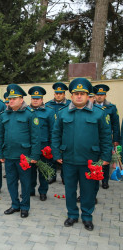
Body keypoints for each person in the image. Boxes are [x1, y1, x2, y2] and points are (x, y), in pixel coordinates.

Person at [52, 78, 111, 231]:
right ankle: (72, 215)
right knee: (70, 190)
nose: (79, 96)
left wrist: (105, 157)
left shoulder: (98, 114)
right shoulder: (63, 113)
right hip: (69, 160)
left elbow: (105, 136)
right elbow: (56, 135)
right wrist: (57, 153)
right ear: (71, 96)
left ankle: (87, 217)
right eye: (76, 93)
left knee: (88, 191)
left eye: (82, 94)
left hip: (90, 161)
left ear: (87, 96)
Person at [0, 84, 41, 218]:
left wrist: (34, 155)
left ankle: (25, 206)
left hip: (24, 156)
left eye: (14, 98)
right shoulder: (4, 115)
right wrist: (0, 153)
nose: (11, 101)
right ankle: (15, 204)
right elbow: (0, 135)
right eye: (9, 99)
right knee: (11, 181)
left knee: (25, 182)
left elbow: (35, 136)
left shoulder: (30, 114)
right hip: (9, 154)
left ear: (21, 100)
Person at [28, 86, 55, 201]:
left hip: (44, 147)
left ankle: (43, 191)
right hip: (29, 147)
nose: (35, 100)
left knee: (43, 171)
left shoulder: (49, 111)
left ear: (42, 99)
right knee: (30, 171)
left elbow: (53, 131)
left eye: (38, 98)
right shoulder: (27, 111)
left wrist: (51, 147)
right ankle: (30, 190)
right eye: (33, 98)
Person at [93, 84, 120, 189]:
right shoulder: (90, 106)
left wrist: (116, 139)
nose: (100, 97)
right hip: (94, 137)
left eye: (102, 94)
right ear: (95, 95)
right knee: (94, 158)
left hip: (107, 138)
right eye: (98, 94)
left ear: (105, 95)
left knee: (106, 159)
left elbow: (115, 124)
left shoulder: (111, 108)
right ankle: (94, 178)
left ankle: (104, 181)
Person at [45, 82, 71, 184]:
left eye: (61, 93)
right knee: (51, 155)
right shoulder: (48, 105)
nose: (58, 95)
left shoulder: (69, 105)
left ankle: (64, 177)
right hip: (52, 134)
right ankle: (52, 175)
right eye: (57, 93)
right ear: (54, 94)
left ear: (64, 94)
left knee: (64, 156)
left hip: (65, 134)